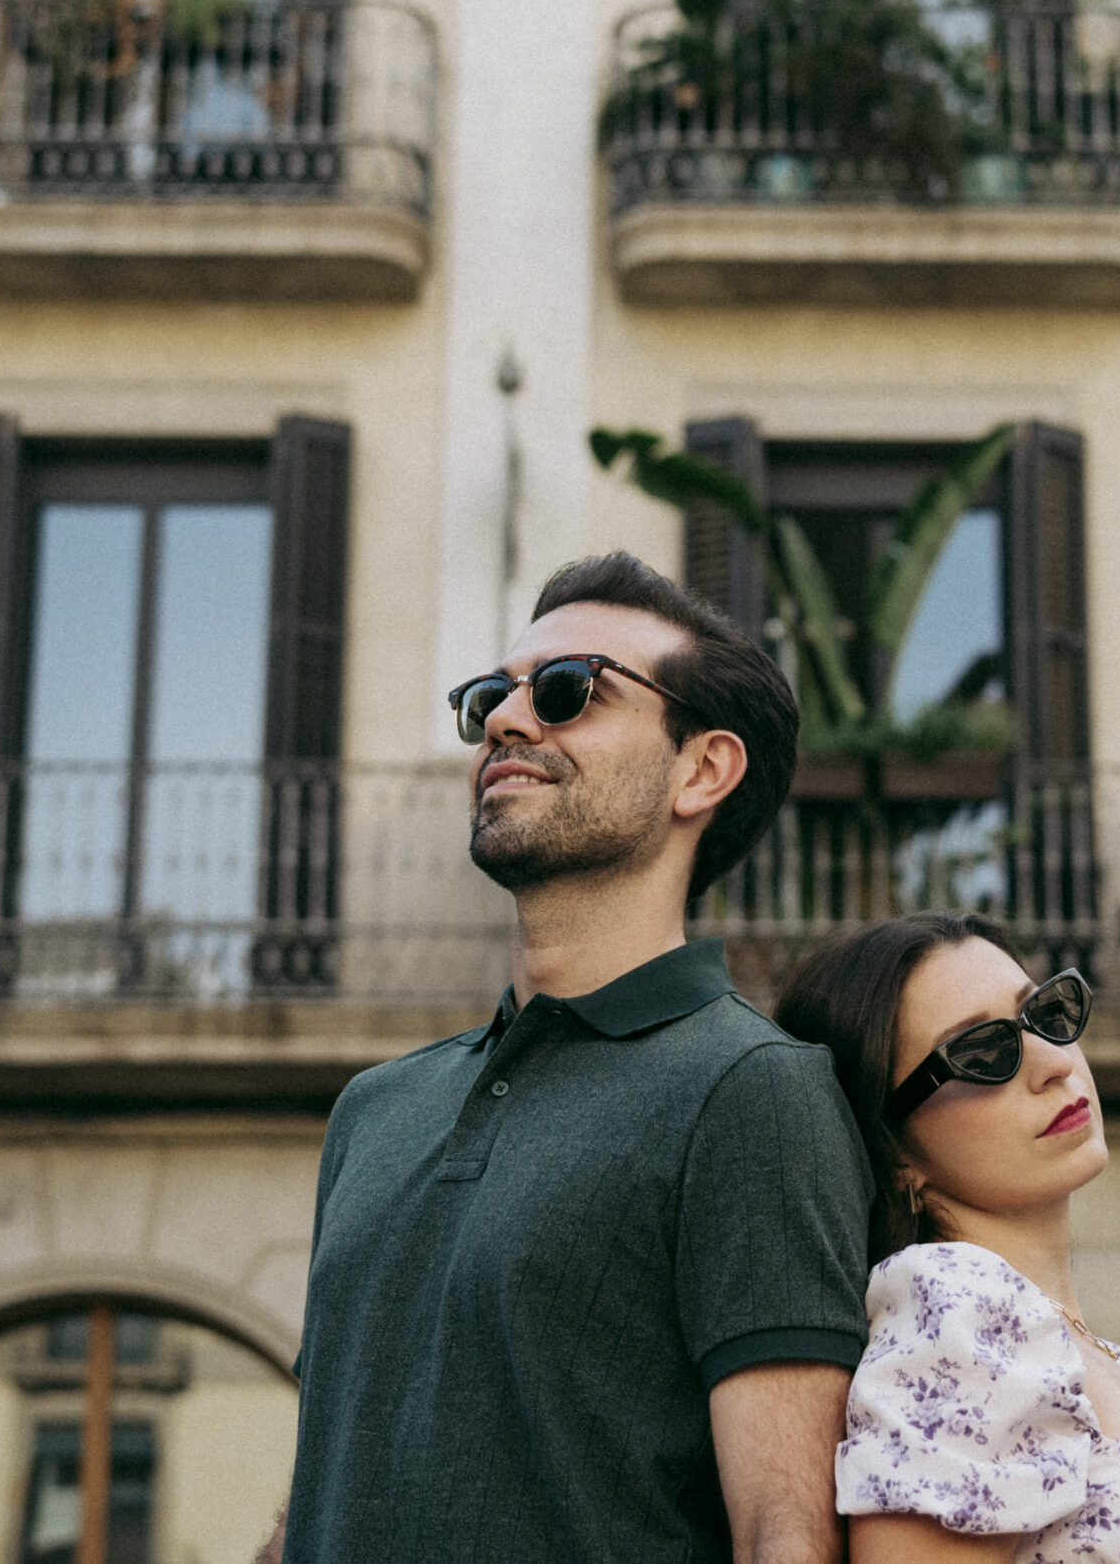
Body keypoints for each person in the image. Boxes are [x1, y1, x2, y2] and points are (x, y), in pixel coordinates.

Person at [266, 552, 872, 1564]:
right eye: (489, 699)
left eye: (567, 692)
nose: (507, 720)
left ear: (702, 769)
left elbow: (785, 1534)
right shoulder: (374, 1109)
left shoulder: (752, 1090)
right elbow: (325, 1482)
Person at [773, 913, 1120, 1564]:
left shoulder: (1072, 1347)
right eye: (983, 1053)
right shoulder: (962, 1316)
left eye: (1045, 1014)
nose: (1053, 1062)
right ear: (894, 1150)